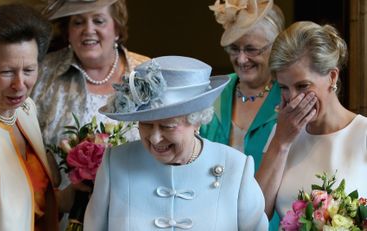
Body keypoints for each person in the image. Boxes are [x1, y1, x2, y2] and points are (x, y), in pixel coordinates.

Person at [83, 56, 268, 230]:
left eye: (167, 126)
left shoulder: (235, 168)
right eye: (146, 124)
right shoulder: (116, 163)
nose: (155, 138)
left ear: (196, 122)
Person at [0, 4, 76, 231]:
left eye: (29, 70)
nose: (20, 85)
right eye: (6, 72)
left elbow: (32, 199)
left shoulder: (25, 108)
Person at [255, 21, 367, 221]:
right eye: (284, 88)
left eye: (303, 86)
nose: (293, 98)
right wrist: (281, 142)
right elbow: (254, 215)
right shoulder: (279, 133)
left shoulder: (363, 133)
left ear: (332, 77)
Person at [202, 0, 284, 229]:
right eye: (234, 49)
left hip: (272, 222)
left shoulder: (287, 95)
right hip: (213, 219)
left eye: (251, 49)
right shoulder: (214, 92)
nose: (241, 59)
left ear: (274, 47)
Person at [31, 0, 149, 147]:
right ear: (68, 31)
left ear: (117, 29)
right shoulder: (41, 72)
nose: (88, 30)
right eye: (78, 22)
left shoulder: (147, 75)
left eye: (99, 21)